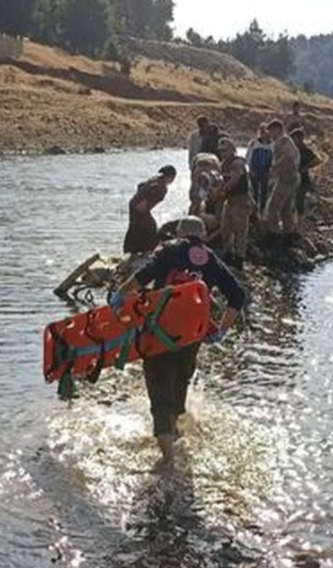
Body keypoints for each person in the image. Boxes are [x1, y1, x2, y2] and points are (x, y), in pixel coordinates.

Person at [110, 216, 248, 459]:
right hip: (191, 336)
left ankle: (168, 460)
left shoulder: (169, 250)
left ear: (179, 233)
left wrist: (119, 296)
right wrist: (221, 331)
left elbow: (143, 276)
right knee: (179, 384)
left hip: (159, 332)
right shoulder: (210, 258)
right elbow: (237, 296)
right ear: (203, 235)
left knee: (159, 389)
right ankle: (175, 436)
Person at [213, 137, 251, 266]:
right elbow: (221, 181)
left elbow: (234, 180)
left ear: (232, 150)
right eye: (221, 151)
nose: (223, 153)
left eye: (225, 150)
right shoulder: (223, 164)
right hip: (229, 200)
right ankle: (228, 254)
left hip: (241, 199)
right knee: (226, 228)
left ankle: (239, 258)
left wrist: (222, 191)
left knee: (240, 229)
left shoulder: (237, 163)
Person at [124, 165, 177, 255]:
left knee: (138, 227)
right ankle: (143, 250)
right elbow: (150, 191)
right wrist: (144, 203)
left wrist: (140, 199)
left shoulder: (156, 179)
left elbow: (141, 185)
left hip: (135, 203)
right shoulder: (161, 187)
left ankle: (134, 250)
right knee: (147, 227)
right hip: (140, 206)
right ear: (170, 177)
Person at [264, 119, 301, 237]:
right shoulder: (284, 141)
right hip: (290, 176)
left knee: (273, 207)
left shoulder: (283, 140)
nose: (270, 133)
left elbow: (288, 156)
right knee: (286, 208)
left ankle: (274, 233)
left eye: (271, 130)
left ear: (277, 129)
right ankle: (288, 233)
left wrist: (275, 167)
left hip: (287, 177)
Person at [292, 128, 325, 220]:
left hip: (303, 179)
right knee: (293, 202)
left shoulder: (305, 151)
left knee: (299, 202)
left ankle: (299, 224)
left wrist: (306, 167)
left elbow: (317, 160)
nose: (294, 141)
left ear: (300, 138)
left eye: (295, 138)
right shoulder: (293, 150)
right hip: (293, 179)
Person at [246, 123, 273, 214]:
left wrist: (271, 171)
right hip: (255, 170)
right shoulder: (254, 143)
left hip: (266, 171)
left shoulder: (272, 145)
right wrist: (250, 169)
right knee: (254, 191)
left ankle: (263, 210)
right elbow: (248, 157)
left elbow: (274, 159)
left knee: (264, 191)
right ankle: (254, 210)